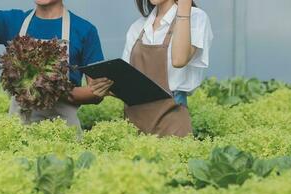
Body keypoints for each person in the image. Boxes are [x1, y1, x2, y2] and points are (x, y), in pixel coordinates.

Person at [0, 0, 107, 131]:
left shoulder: (85, 30)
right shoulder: (14, 22)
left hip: (64, 133)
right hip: (19, 132)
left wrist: (52, 89)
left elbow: (95, 92)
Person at [90, 0, 213, 137]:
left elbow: (179, 60)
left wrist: (184, 6)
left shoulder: (195, 17)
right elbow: (129, 83)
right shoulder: (137, 27)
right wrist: (107, 88)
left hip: (172, 123)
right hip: (134, 125)